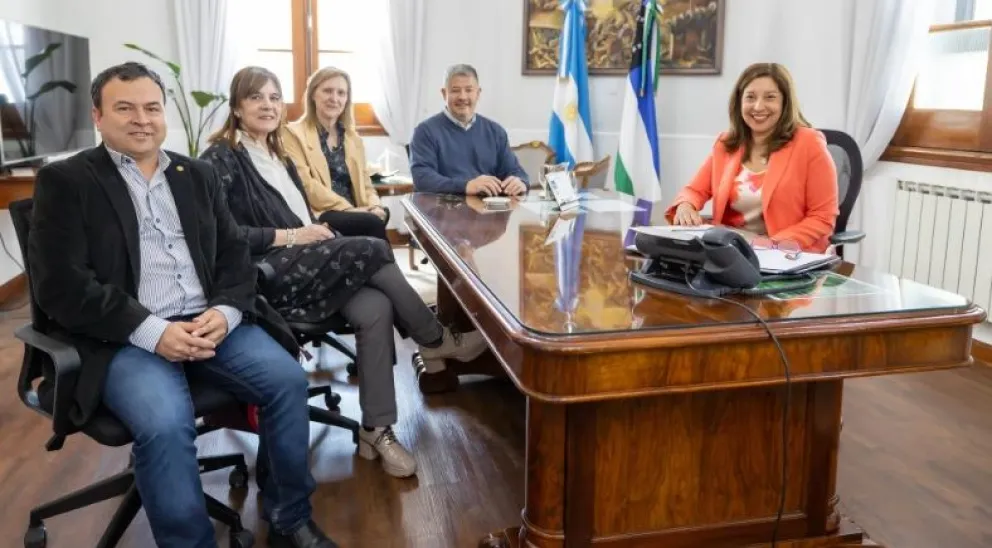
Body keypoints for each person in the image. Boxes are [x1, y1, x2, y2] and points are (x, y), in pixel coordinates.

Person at [29, 62, 335, 548]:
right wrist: (154, 331)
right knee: (165, 422)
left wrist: (226, 312)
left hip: (211, 323)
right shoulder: (67, 182)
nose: (141, 119)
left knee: (287, 381)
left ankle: (288, 517)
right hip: (125, 337)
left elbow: (234, 255)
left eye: (152, 107)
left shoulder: (195, 175)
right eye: (124, 108)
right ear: (98, 115)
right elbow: (61, 286)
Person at [200, 67, 490, 478]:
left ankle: (377, 429)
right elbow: (220, 236)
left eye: (273, 97)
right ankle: (434, 338)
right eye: (255, 98)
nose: (267, 106)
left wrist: (317, 234)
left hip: (309, 261)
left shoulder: (279, 152)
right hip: (270, 274)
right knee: (373, 245)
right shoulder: (221, 158)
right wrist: (291, 236)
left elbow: (303, 212)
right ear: (236, 106)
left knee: (374, 306)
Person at [666, 62, 838, 253]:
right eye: (750, 97)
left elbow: (822, 217)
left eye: (770, 97)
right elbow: (694, 190)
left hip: (787, 255)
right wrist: (685, 206)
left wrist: (770, 246)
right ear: (739, 102)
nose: (758, 106)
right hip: (731, 253)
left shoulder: (808, 143)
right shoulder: (726, 143)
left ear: (785, 102)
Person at [282, 66, 389, 240]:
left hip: (356, 211)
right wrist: (350, 210)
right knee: (372, 223)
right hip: (321, 211)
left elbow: (366, 184)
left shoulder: (353, 138)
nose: (334, 98)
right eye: (327, 91)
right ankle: (383, 265)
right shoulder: (292, 133)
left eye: (341, 93)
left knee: (380, 215)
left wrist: (375, 206)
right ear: (313, 95)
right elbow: (306, 186)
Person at [410, 63, 529, 196]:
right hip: (442, 212)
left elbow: (515, 171)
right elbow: (422, 179)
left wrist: (520, 182)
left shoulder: (496, 132)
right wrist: (466, 186)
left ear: (478, 93)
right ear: (444, 94)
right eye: (455, 90)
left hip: (489, 212)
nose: (462, 97)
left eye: (469, 90)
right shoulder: (425, 131)